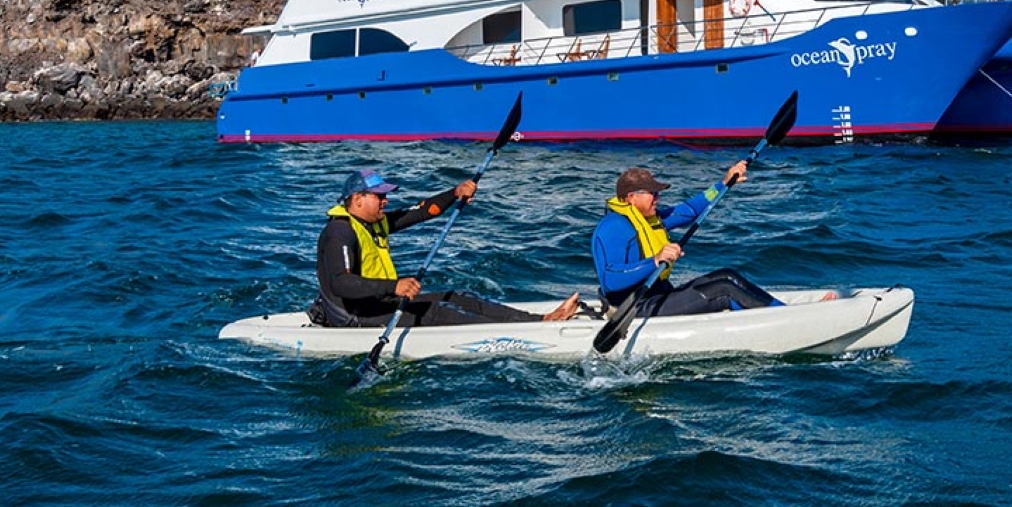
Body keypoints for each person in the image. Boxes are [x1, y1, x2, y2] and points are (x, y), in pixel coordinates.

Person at [310, 168, 580, 327]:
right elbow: (340, 284)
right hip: (353, 316)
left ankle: (539, 320)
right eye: (380, 196)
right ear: (357, 199)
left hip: (378, 303)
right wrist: (394, 287)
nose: (386, 201)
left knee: (456, 297)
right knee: (438, 311)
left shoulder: (374, 223)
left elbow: (423, 211)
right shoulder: (340, 231)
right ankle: (527, 332)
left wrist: (455, 192)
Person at [590, 163, 782, 316]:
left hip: (658, 296)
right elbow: (610, 281)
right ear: (631, 197)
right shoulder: (614, 227)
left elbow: (689, 210)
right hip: (633, 308)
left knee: (727, 276)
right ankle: (781, 323)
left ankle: (782, 313)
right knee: (724, 290)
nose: (657, 198)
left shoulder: (649, 219)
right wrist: (656, 260)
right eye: (652, 194)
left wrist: (723, 184)